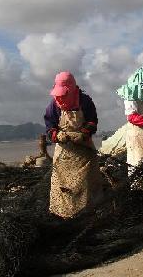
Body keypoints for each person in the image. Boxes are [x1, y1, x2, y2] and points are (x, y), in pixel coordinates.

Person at [44, 71, 103, 218]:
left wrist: (83, 134)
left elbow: (92, 121)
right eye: (59, 95)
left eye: (64, 94)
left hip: (84, 152)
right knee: (63, 187)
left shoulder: (84, 101)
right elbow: (50, 126)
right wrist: (57, 135)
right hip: (64, 153)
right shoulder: (53, 105)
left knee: (87, 185)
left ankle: (89, 213)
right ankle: (64, 214)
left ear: (71, 89)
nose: (61, 98)